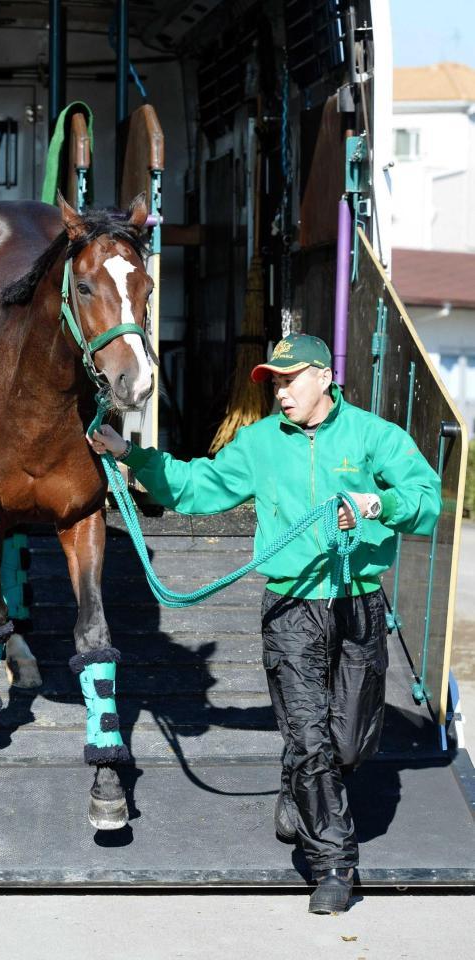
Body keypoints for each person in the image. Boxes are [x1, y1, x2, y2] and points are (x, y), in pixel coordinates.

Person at [88, 332, 441, 914]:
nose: (280, 392)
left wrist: (381, 504)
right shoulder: (258, 444)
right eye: (274, 381)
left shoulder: (373, 436)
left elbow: (426, 497)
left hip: (358, 603)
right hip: (290, 610)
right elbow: (199, 487)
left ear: (325, 377)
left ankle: (297, 786)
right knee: (309, 737)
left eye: (290, 379)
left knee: (350, 744)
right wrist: (131, 458)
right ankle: (333, 866)